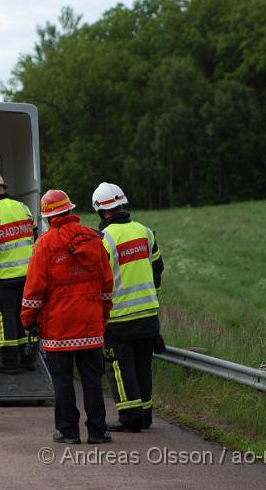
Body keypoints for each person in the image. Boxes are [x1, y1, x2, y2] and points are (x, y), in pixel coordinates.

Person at [21, 189, 114, 444]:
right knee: (92, 380)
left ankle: (68, 431)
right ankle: (97, 431)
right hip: (90, 323)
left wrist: (28, 319)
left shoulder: (44, 244)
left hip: (57, 327)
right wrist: (103, 314)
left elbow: (34, 288)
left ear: (49, 217)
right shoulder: (94, 239)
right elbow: (107, 283)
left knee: (62, 381)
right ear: (70, 211)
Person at [92, 182, 164, 432]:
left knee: (121, 368)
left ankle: (130, 417)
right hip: (148, 315)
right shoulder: (146, 232)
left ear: (101, 211)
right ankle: (145, 414)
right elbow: (157, 271)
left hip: (119, 317)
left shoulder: (104, 239)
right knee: (143, 366)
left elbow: (98, 280)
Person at [0, 172, 38, 374]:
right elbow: (34, 238)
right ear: (3, 189)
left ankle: (9, 361)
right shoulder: (24, 208)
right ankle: (28, 358)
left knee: (5, 319)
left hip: (4, 278)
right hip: (29, 275)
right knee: (25, 317)